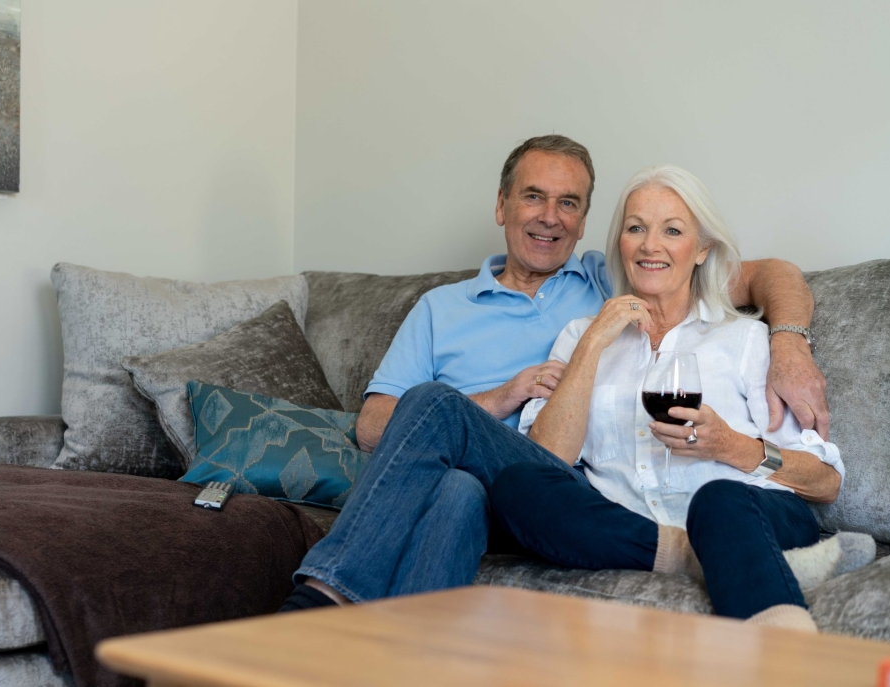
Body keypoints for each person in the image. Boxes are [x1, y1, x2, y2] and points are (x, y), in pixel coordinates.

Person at [280, 136, 830, 612]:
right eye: (533, 196)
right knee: (451, 470)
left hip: (544, 482)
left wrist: (789, 343)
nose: (550, 216)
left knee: (458, 456)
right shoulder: (441, 307)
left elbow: (768, 274)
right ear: (501, 205)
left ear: (586, 222)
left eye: (568, 202)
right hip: (495, 467)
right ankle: (394, 648)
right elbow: (375, 427)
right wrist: (505, 395)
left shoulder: (608, 279)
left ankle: (321, 599)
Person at [488, 164, 849, 630]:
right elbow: (548, 460)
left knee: (718, 501)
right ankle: (696, 556)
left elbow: (825, 482)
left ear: (701, 249)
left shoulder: (742, 339)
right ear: (620, 241)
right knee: (518, 486)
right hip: (625, 520)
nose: (649, 245)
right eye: (635, 228)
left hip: (743, 509)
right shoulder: (581, 335)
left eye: (672, 231)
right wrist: (594, 341)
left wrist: (730, 446)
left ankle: (785, 655)